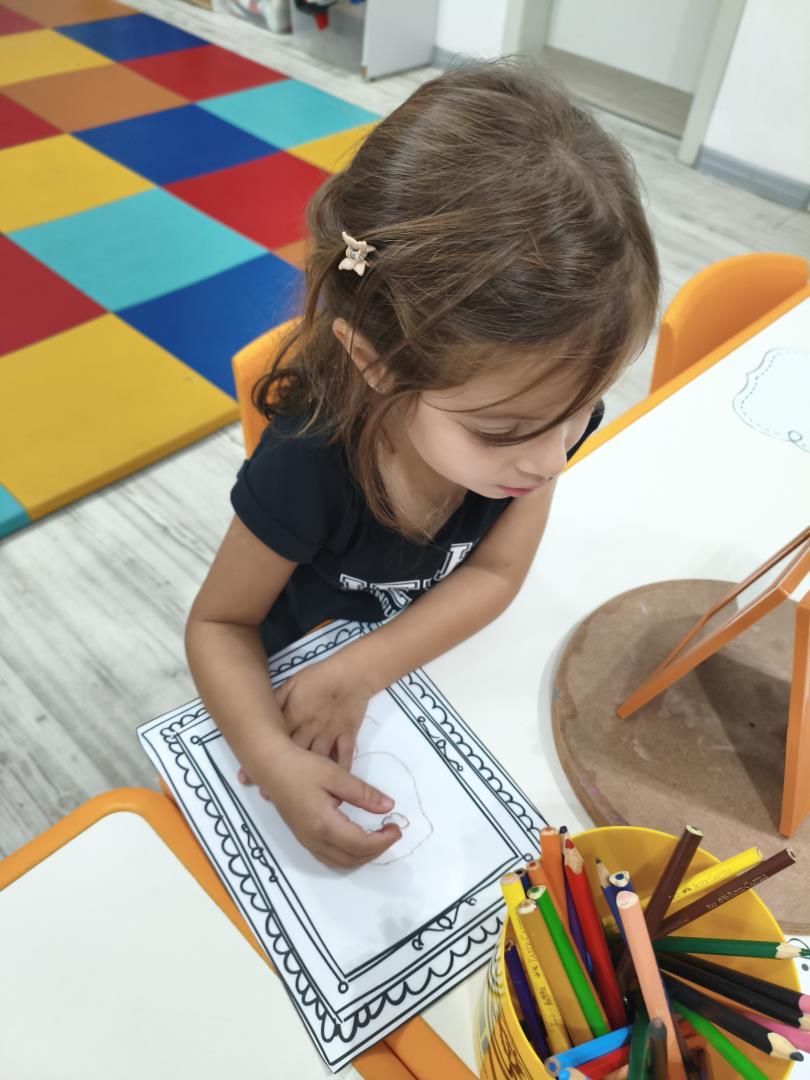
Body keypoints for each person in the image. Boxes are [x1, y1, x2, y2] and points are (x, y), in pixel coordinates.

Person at [185, 59, 660, 868]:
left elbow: (498, 572)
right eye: (502, 431)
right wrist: (268, 757)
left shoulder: (542, 424)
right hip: (283, 685)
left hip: (407, 683)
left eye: (580, 410)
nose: (551, 459)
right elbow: (216, 626)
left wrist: (364, 669)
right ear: (373, 363)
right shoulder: (308, 462)